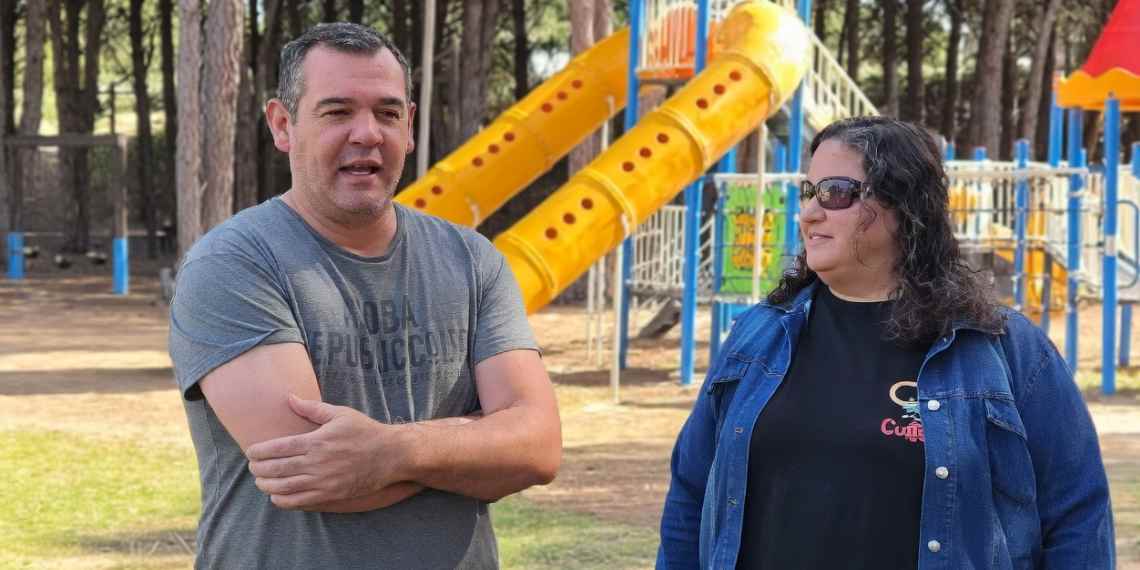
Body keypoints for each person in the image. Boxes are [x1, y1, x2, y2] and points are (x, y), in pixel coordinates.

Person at [168, 22, 561, 569]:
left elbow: (538, 447)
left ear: (410, 126)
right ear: (283, 125)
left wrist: (393, 451)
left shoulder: (473, 261)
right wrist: (479, 442)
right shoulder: (232, 265)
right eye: (337, 112)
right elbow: (317, 473)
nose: (367, 133)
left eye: (388, 113)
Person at [657, 116, 1114, 569]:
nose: (810, 212)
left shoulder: (1006, 350)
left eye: (835, 192)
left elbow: (1077, 519)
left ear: (904, 205)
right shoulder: (755, 338)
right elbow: (690, 497)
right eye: (808, 191)